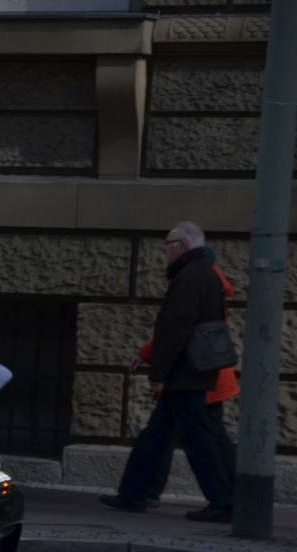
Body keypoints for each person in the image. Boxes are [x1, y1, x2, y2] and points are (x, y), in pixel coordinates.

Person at [99, 222, 234, 522]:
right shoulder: (202, 273)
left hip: (187, 375)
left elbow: (177, 327)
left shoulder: (190, 277)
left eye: (167, 243)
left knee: (200, 440)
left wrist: (158, 374)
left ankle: (224, 501)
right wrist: (150, 355)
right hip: (192, 372)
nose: (164, 250)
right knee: (157, 436)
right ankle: (136, 493)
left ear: (182, 246)